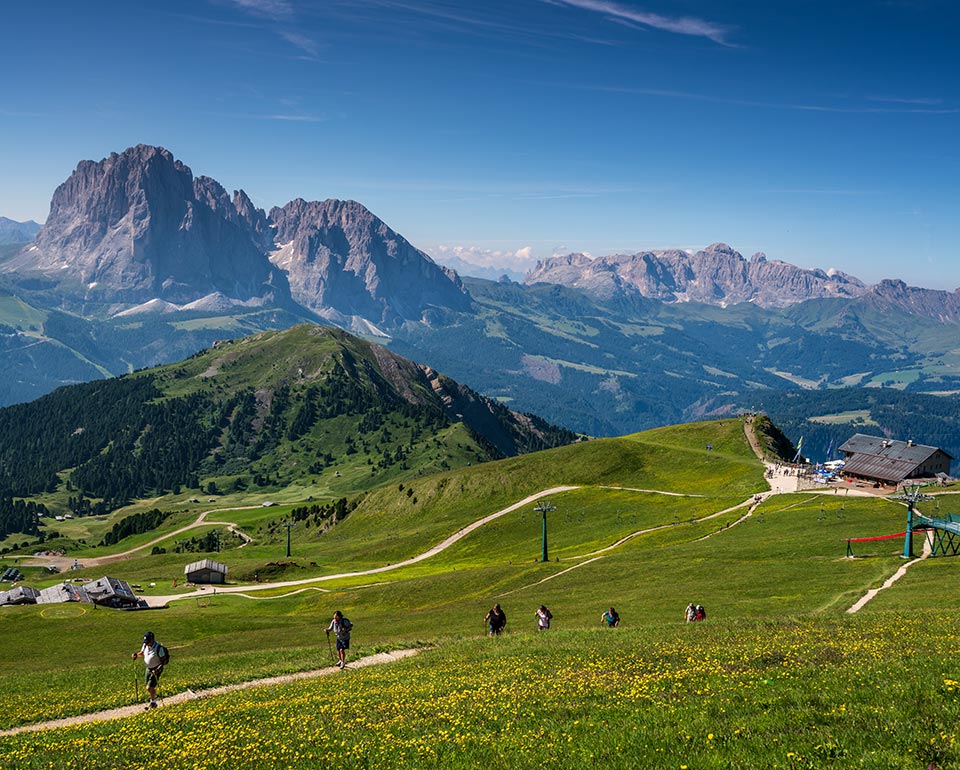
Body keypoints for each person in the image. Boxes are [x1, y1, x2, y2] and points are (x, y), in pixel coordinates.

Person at [132, 631, 167, 710]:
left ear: (152, 640)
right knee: (148, 687)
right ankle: (153, 701)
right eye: (145, 642)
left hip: (156, 669)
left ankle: (153, 702)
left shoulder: (159, 648)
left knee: (149, 687)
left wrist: (158, 669)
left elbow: (164, 661)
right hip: (148, 669)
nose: (146, 643)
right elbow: (142, 653)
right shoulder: (145, 645)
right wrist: (136, 655)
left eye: (148, 641)